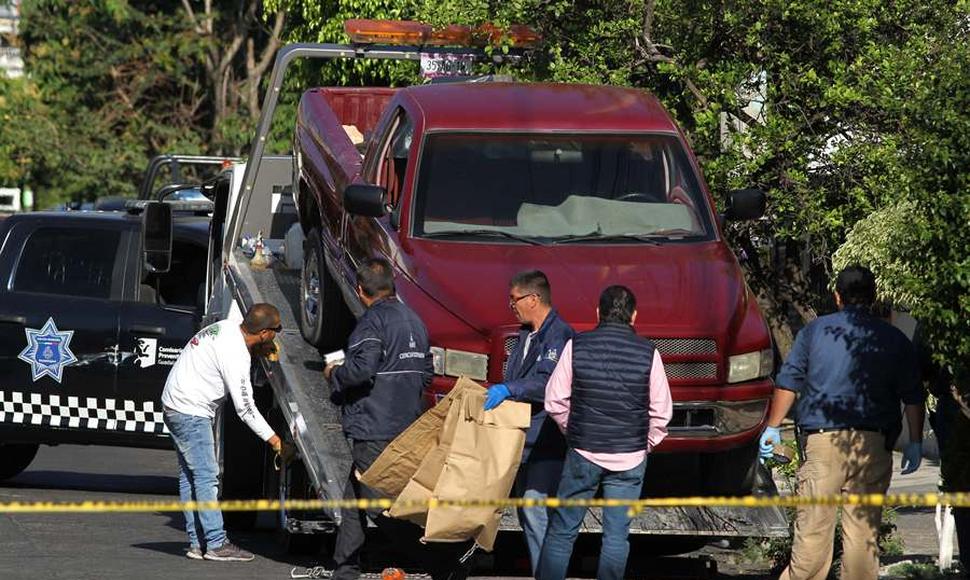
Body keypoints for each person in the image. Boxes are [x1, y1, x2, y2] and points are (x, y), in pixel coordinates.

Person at [759, 265, 925, 580]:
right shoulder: (893, 338)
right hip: (872, 446)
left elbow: (789, 383)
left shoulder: (814, 331)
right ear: (874, 297)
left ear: (837, 296)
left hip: (823, 444)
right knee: (863, 543)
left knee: (811, 538)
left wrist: (771, 427)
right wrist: (915, 441)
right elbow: (914, 396)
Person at [324, 258, 467, 580]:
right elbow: (427, 373)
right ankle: (345, 568)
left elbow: (361, 370)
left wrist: (334, 373)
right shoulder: (414, 320)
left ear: (361, 291)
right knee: (354, 499)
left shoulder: (371, 323)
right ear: (393, 285)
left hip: (374, 427)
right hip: (405, 426)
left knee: (379, 506)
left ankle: (443, 564)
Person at [536, 285, 672, 580]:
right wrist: (645, 444)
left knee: (562, 531)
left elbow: (554, 400)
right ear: (634, 316)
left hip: (583, 452)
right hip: (630, 457)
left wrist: (572, 429)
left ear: (597, 312)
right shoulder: (649, 353)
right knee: (615, 537)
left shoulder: (577, 345)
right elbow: (661, 412)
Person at [161, 303, 288, 562]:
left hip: (174, 403)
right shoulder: (236, 354)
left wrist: (256, 353)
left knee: (190, 476)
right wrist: (275, 441)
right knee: (207, 477)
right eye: (276, 330)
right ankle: (217, 543)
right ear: (264, 333)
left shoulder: (227, 328)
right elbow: (246, 409)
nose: (276, 335)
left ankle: (198, 543)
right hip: (190, 411)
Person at [480, 270, 575, 574]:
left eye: (514, 300)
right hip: (521, 439)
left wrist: (511, 389)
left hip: (546, 440)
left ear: (533, 299)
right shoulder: (525, 335)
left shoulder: (558, 335)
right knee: (527, 513)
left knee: (535, 511)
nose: (511, 306)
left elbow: (547, 382)